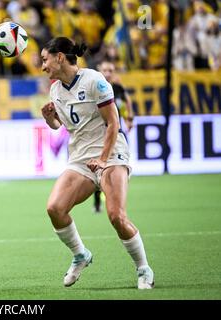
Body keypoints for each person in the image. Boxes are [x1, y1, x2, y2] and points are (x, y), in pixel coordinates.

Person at [40, 37, 154, 289]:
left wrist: (103, 159)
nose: (42, 66)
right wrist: (50, 120)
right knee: (55, 209)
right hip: (80, 157)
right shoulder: (55, 89)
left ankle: (144, 269)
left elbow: (113, 123)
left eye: (45, 59)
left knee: (116, 216)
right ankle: (81, 255)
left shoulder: (95, 80)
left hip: (110, 153)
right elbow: (63, 126)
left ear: (60, 57)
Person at [92, 60, 135, 213]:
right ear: (99, 70)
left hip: (117, 133)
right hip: (99, 136)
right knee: (98, 168)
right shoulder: (94, 87)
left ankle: (116, 199)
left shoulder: (116, 88)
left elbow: (127, 100)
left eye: (111, 70)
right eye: (105, 70)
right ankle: (97, 199)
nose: (108, 73)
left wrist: (129, 118)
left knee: (118, 167)